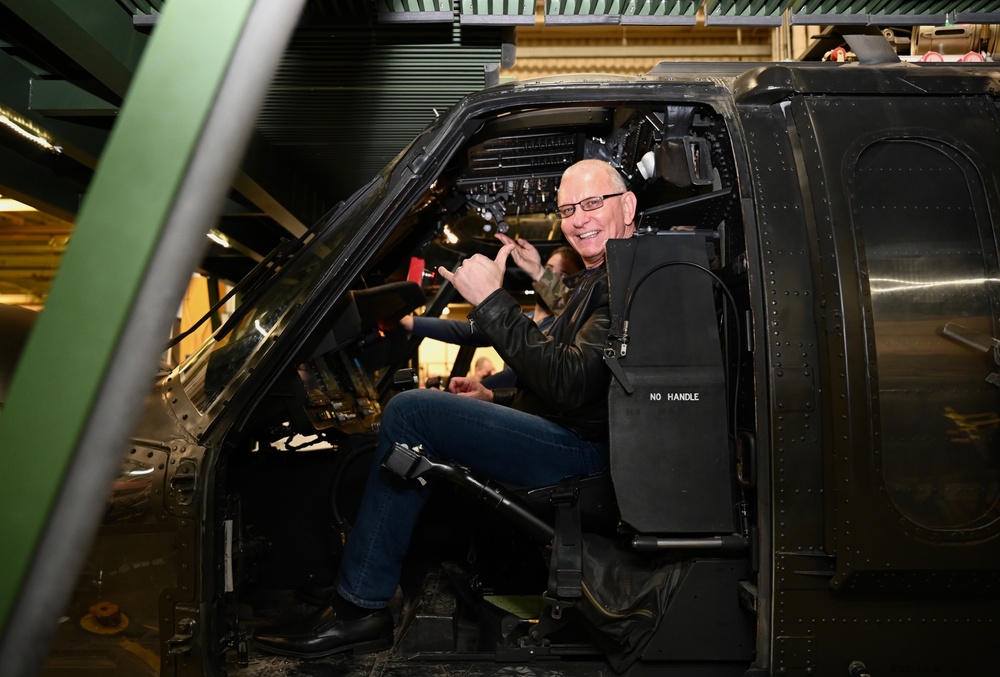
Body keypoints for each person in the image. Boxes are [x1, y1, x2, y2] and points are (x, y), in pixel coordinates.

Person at [252, 158, 638, 659]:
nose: (579, 219)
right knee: (416, 421)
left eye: (592, 204)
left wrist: (492, 300)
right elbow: (570, 371)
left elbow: (569, 382)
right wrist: (494, 398)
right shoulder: (602, 275)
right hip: (578, 436)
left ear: (627, 205)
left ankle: (359, 610)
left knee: (412, 413)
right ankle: (361, 590)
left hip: (589, 455)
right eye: (568, 209)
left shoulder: (626, 279)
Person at [399, 246, 584, 388]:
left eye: (563, 274)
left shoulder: (565, 326)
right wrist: (411, 322)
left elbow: (516, 374)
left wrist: (478, 391)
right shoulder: (522, 318)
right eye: (549, 269)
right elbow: (464, 331)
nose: (552, 277)